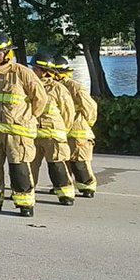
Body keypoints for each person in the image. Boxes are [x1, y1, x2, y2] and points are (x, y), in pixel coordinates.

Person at [0, 34, 48, 218]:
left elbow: (40, 99)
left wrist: (28, 118)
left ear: (8, 53)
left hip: (17, 132)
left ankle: (25, 203)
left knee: (19, 168)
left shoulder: (23, 73)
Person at [31, 51, 77, 205]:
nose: (33, 71)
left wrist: (62, 131)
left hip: (53, 136)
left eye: (35, 68)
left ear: (44, 70)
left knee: (57, 166)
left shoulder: (58, 88)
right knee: (28, 167)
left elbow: (68, 113)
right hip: (32, 135)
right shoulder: (29, 86)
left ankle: (65, 194)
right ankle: (25, 191)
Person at [57, 56, 99, 198]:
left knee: (80, 162)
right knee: (63, 161)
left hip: (77, 130)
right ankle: (66, 185)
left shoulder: (73, 86)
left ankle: (87, 187)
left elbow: (90, 107)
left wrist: (87, 124)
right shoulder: (53, 86)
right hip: (62, 131)